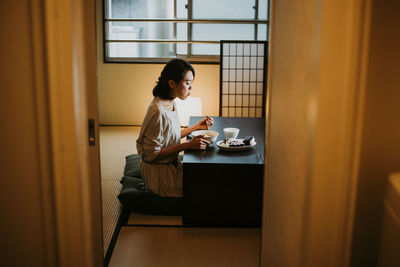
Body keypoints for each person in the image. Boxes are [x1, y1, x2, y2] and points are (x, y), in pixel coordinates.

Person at [136, 59, 213, 198]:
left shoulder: (170, 101)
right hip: (158, 174)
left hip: (170, 165)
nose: (190, 88)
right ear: (172, 83)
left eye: (191, 83)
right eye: (187, 83)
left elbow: (170, 137)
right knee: (206, 188)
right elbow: (151, 154)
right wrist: (187, 145)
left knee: (208, 174)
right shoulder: (157, 111)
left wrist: (197, 127)